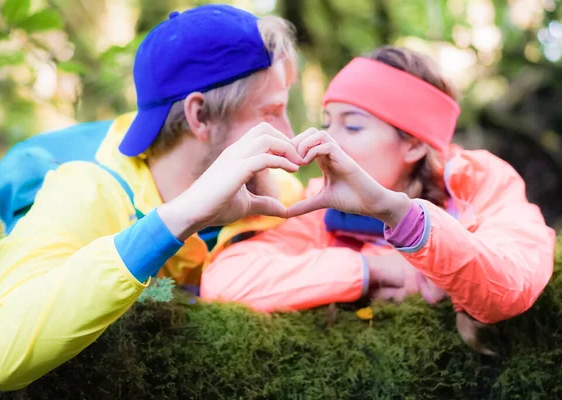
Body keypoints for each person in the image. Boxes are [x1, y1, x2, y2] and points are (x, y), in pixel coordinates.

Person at [0, 4, 303, 391]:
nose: (288, 131)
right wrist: (177, 221)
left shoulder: (270, 186)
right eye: (272, 111)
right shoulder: (87, 192)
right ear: (200, 116)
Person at [200, 46, 556, 338]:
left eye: (353, 125)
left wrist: (405, 222)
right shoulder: (321, 205)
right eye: (327, 123)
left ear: (414, 144)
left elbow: (511, 284)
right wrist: (378, 269)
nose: (327, 140)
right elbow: (225, 282)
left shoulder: (478, 181)